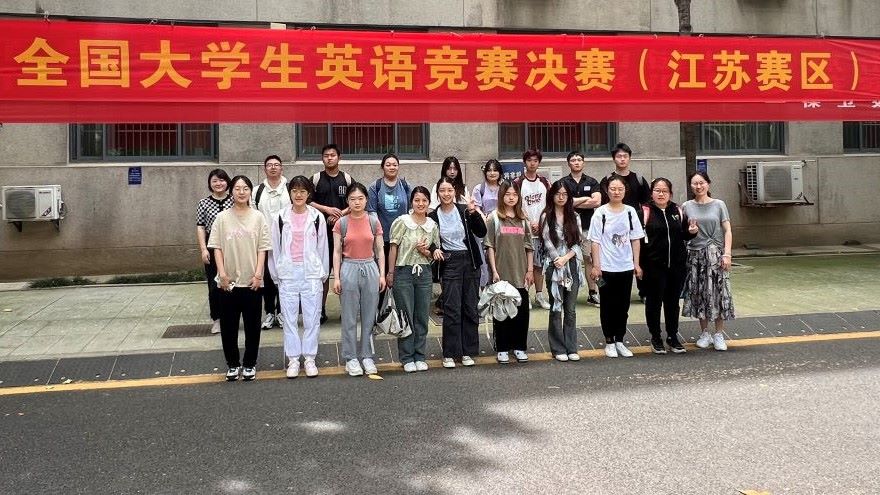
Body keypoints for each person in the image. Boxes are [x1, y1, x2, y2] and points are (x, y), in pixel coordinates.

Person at [207, 175, 271, 381]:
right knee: (229, 328)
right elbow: (216, 247)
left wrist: (259, 274)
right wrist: (222, 274)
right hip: (228, 284)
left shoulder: (258, 217)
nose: (241, 192)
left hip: (252, 282)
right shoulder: (221, 218)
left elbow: (263, 248)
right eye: (237, 188)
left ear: (250, 191)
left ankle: (250, 364)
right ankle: (233, 364)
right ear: (231, 192)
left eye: (245, 188)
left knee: (253, 327)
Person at [269, 176, 329, 378]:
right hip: (288, 273)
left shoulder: (317, 217)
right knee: (290, 319)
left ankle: (310, 358)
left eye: (303, 191)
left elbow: (323, 247)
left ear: (308, 193)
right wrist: (276, 274)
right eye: (294, 190)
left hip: (311, 273)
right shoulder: (280, 217)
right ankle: (293, 359)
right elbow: (275, 249)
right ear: (289, 193)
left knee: (312, 318)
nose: (298, 194)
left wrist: (322, 272)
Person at [428, 177, 487, 369]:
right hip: (450, 261)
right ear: (438, 193)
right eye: (442, 190)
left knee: (470, 307)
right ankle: (450, 353)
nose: (446, 194)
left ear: (455, 192)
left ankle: (468, 351)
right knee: (452, 308)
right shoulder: (433, 216)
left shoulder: (464, 210)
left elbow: (481, 232)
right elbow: (430, 240)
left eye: (449, 190)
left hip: (470, 261)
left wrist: (474, 212)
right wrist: (433, 249)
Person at [588, 175, 645, 358]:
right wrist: (596, 266)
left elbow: (635, 239)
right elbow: (595, 241)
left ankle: (620, 340)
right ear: (607, 190)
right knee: (607, 305)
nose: (616, 192)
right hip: (605, 269)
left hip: (625, 267)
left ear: (625, 191)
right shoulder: (600, 213)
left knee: (623, 305)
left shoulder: (630, 212)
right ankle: (609, 341)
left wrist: (636, 264)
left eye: (620, 189)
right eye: (613, 188)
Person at [332, 183, 385, 377]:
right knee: (349, 316)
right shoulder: (341, 223)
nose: (357, 202)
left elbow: (380, 250)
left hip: (370, 267)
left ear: (366, 200)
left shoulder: (373, 221)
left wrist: (382, 274)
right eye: (353, 199)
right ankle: (351, 357)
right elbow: (336, 252)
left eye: (360, 198)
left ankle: (367, 356)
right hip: (349, 268)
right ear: (347, 201)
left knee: (369, 316)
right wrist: (336, 277)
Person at [680, 171, 735, 351]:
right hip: (695, 255)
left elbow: (727, 230)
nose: (698, 186)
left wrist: (727, 254)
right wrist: (690, 231)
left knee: (718, 292)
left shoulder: (719, 204)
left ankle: (719, 334)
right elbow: (683, 233)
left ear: (708, 184)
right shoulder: (686, 206)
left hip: (715, 254)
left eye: (702, 182)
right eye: (695, 183)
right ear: (691, 186)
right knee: (699, 293)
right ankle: (704, 333)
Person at [387, 186, 438, 373]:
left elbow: (434, 253)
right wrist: (390, 273)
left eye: (424, 200)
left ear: (429, 203)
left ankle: (420, 355)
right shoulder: (402, 221)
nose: (420, 204)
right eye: (417, 200)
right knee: (406, 315)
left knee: (422, 316)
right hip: (403, 271)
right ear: (411, 202)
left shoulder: (432, 225)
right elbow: (393, 247)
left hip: (424, 272)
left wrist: (426, 251)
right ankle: (407, 356)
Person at [641, 178, 694, 354]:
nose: (661, 194)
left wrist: (692, 233)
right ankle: (656, 337)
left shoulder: (677, 210)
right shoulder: (644, 211)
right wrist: (639, 265)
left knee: (672, 303)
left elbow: (684, 235)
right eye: (657, 190)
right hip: (653, 267)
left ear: (670, 193)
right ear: (652, 193)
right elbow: (638, 240)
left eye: (664, 191)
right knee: (654, 302)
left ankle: (673, 336)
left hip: (676, 266)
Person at [484, 181, 533, 364]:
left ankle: (519, 347)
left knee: (521, 313)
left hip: (521, 274)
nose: (511, 198)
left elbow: (529, 247)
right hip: (502, 274)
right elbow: (490, 246)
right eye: (507, 194)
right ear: (501, 196)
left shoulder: (523, 219)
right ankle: (503, 348)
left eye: (514, 194)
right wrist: (494, 271)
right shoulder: (494, 218)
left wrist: (530, 270)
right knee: (501, 312)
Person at [599, 143, 650, 302]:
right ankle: (610, 290)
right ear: (613, 158)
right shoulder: (607, 180)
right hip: (612, 228)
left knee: (640, 257)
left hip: (634, 226)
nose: (622, 159)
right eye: (619, 156)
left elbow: (647, 203)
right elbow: (602, 203)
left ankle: (643, 291)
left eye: (625, 156)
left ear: (630, 158)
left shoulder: (639, 179)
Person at [541, 181, 586, 362]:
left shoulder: (575, 216)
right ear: (552, 195)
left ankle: (571, 347)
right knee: (556, 307)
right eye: (558, 193)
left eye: (565, 194)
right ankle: (558, 348)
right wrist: (557, 259)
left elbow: (579, 241)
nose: (561, 197)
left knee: (570, 309)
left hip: (571, 264)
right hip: (553, 266)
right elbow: (546, 240)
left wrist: (566, 258)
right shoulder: (546, 216)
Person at [311, 144, 355, 324]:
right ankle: (320, 310)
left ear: (339, 157)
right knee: (321, 274)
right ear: (322, 158)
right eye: (326, 155)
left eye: (333, 155)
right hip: (319, 234)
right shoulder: (315, 179)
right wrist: (326, 210)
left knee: (344, 273)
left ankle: (346, 310)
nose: (329, 158)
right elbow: (307, 200)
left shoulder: (347, 179)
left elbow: (356, 200)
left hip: (344, 233)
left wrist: (339, 215)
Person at [252, 155, 291, 330]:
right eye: (269, 165)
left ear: (282, 168)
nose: (273, 167)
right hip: (265, 242)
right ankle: (269, 312)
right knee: (267, 278)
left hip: (287, 241)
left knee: (284, 277)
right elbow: (253, 215)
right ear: (264, 168)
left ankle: (282, 312)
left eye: (276, 165)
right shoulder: (257, 191)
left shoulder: (290, 188)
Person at [559, 151, 602, 306]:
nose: (576, 162)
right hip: (567, 228)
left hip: (587, 227)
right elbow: (563, 202)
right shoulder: (563, 182)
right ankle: (565, 292)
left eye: (579, 160)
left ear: (583, 162)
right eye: (573, 160)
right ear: (568, 163)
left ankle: (593, 293)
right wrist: (585, 199)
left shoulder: (592, 181)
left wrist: (573, 202)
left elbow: (597, 202)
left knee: (590, 259)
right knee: (566, 259)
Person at [513, 148, 552, 310]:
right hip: (523, 231)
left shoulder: (544, 182)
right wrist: (529, 222)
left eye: (535, 160)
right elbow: (515, 206)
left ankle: (540, 295)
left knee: (539, 265)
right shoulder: (518, 182)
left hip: (541, 230)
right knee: (524, 265)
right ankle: (525, 295)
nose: (532, 163)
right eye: (529, 160)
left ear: (539, 163)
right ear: (525, 162)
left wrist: (541, 223)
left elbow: (550, 205)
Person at [195, 168, 232, 335]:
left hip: (232, 244)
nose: (219, 183)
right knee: (214, 284)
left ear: (227, 182)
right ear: (210, 184)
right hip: (212, 244)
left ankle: (230, 318)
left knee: (232, 282)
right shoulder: (203, 203)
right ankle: (216, 319)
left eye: (222, 180)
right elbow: (200, 227)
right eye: (215, 181)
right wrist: (203, 249)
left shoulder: (234, 200)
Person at [367, 152, 411, 280]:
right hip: (383, 238)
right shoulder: (375, 186)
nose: (392, 167)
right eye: (388, 165)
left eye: (395, 165)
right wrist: (377, 235)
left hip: (402, 237)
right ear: (382, 167)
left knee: (400, 274)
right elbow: (372, 212)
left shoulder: (405, 186)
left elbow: (411, 210)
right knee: (382, 272)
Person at [473, 159, 502, 288]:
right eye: (489, 170)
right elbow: (476, 207)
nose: (492, 173)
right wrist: (483, 217)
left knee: (499, 256)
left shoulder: (504, 188)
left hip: (500, 227)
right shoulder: (479, 189)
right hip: (484, 226)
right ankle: (485, 289)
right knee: (484, 259)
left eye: (495, 170)